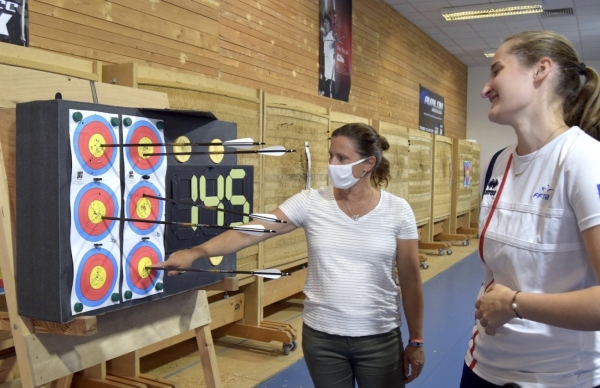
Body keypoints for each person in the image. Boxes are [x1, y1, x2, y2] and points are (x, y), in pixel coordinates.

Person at [158, 123, 425, 387]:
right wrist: (196, 252)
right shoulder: (311, 202)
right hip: (323, 340)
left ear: (368, 164)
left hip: (379, 337)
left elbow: (412, 280)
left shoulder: (398, 211)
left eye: (342, 158)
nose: (332, 163)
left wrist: (416, 340)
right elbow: (249, 232)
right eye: (331, 155)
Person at [461, 30, 600, 388]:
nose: (485, 88)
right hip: (482, 367)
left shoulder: (584, 161)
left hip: (559, 377)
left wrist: (515, 304)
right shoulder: (497, 163)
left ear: (540, 70)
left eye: (496, 71)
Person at [319, 13, 336, 98]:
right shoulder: (325, 35)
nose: (325, 24)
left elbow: (332, 44)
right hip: (325, 66)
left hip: (330, 67)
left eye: (326, 22)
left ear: (329, 24)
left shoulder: (331, 34)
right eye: (324, 22)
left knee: (328, 89)